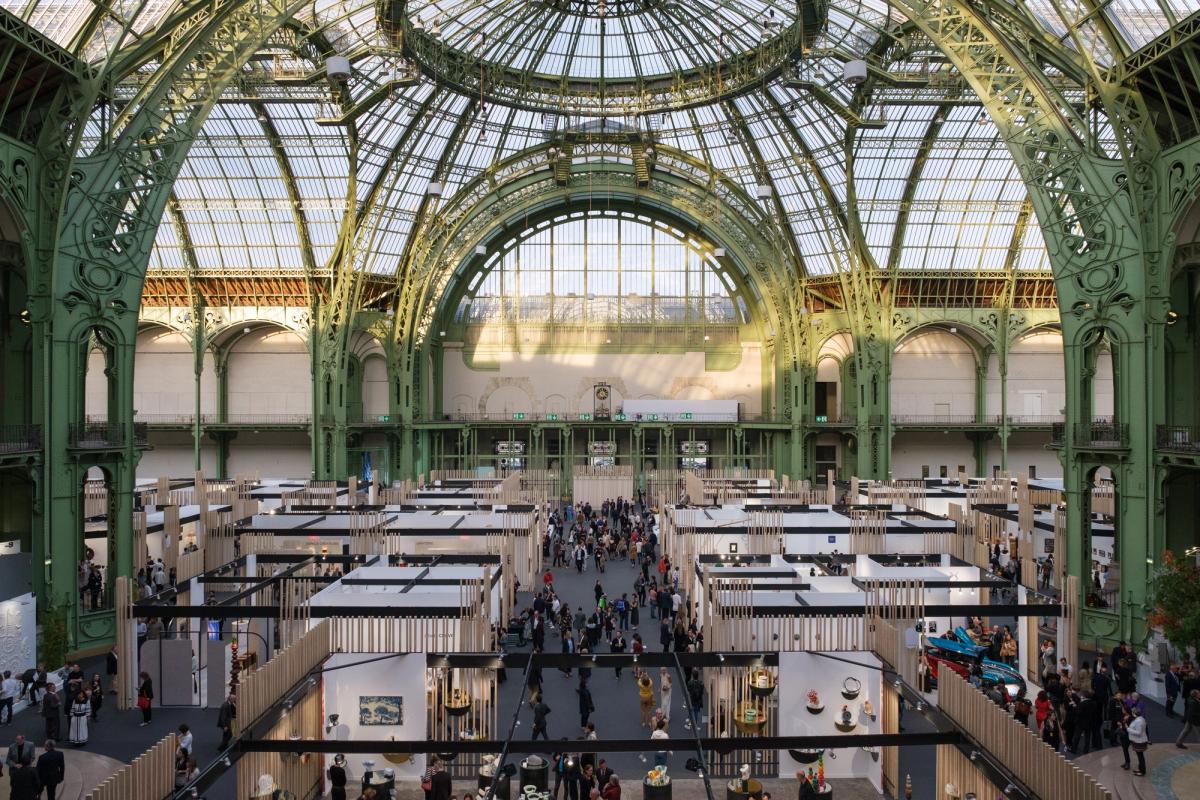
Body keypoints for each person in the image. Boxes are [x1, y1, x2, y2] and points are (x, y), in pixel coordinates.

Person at [1126, 706, 1148, 775]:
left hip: (1139, 741)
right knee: (1140, 756)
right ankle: (1141, 769)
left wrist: (1128, 729)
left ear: (1134, 713)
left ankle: (1142, 771)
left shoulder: (1139, 721)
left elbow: (1138, 732)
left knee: (1140, 756)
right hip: (1139, 741)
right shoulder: (1141, 719)